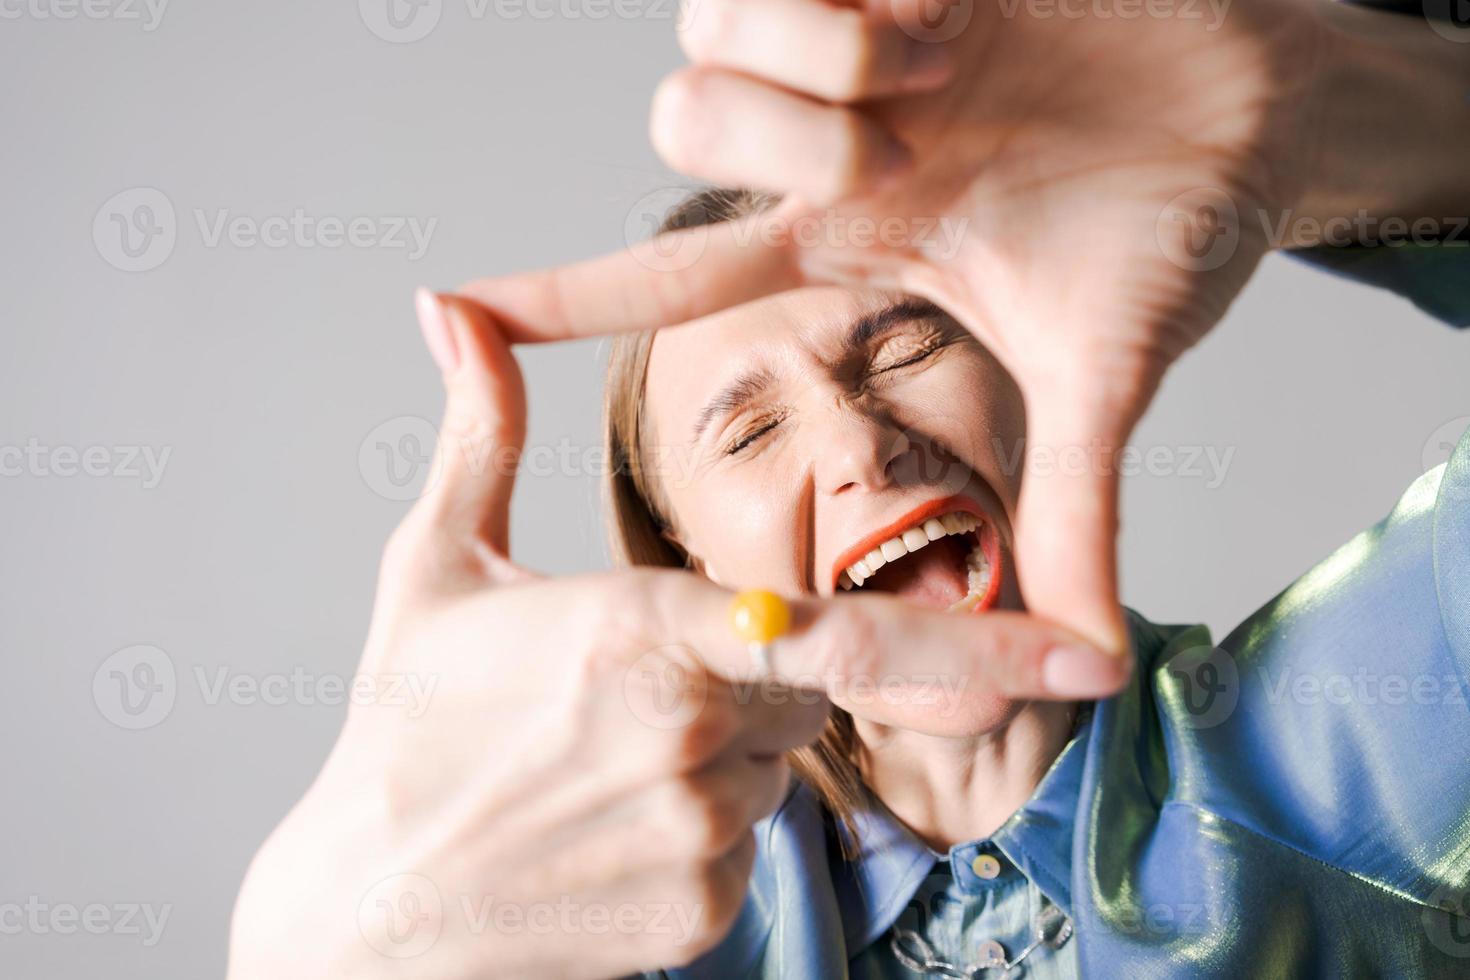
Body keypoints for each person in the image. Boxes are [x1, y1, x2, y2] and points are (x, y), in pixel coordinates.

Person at [226, 0, 1470, 977]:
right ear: (693, 556)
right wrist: (321, 935)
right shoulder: (644, 930)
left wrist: (1329, 101)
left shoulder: (1346, 736)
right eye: (749, 429)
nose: (860, 446)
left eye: (905, 346)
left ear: (1026, 375)